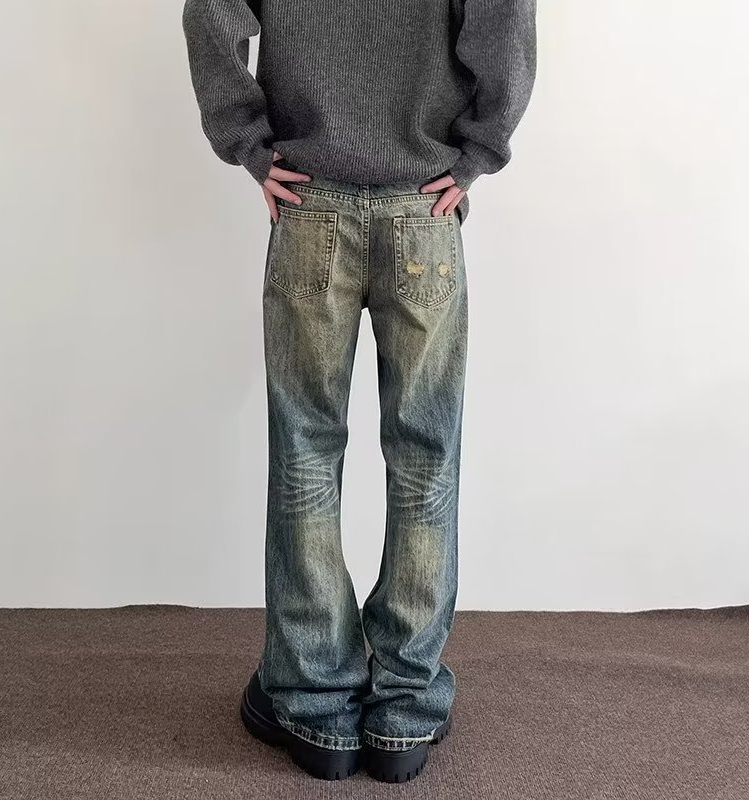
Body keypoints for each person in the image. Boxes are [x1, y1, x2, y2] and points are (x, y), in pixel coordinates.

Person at [182, 0, 536, 783]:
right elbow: (505, 17)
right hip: (424, 205)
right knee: (425, 460)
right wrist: (476, 153)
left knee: (307, 455)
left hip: (311, 204)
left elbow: (211, 10)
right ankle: (404, 710)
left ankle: (315, 704)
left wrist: (249, 144)